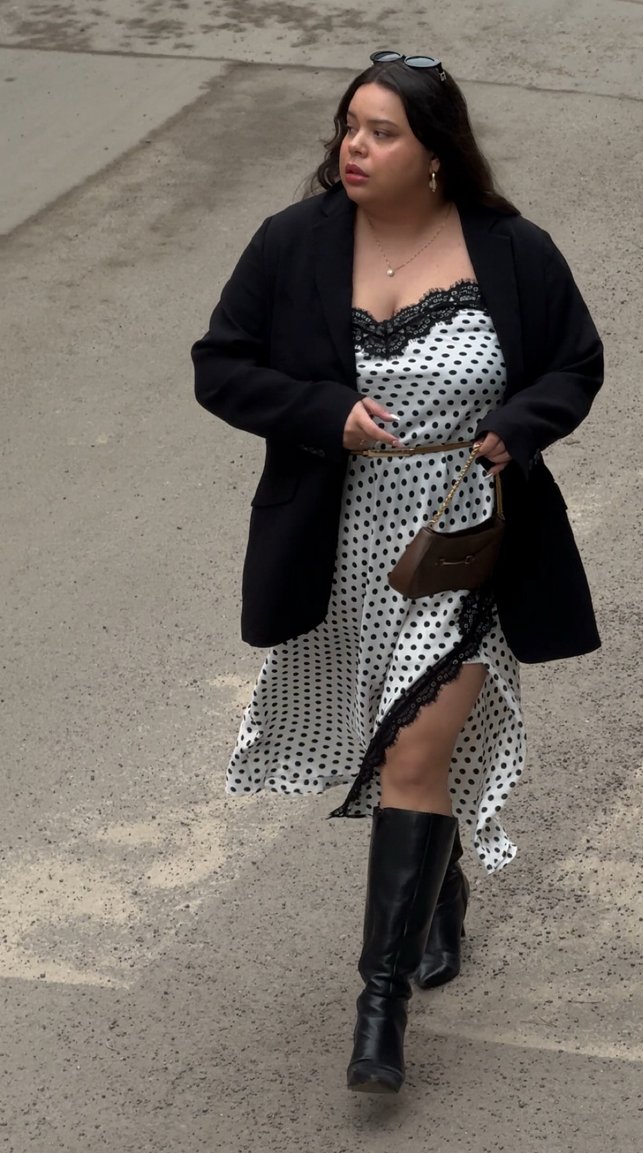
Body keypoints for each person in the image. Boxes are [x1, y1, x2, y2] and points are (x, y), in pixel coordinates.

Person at [191, 50, 603, 1094]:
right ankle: (438, 878)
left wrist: (517, 425)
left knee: (416, 751)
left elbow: (573, 361)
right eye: (349, 126)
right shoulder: (292, 244)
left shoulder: (511, 252)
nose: (353, 147)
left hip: (461, 543)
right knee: (387, 743)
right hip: (337, 543)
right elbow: (221, 365)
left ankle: (378, 1006)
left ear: (434, 155)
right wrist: (326, 416)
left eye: (381, 132)